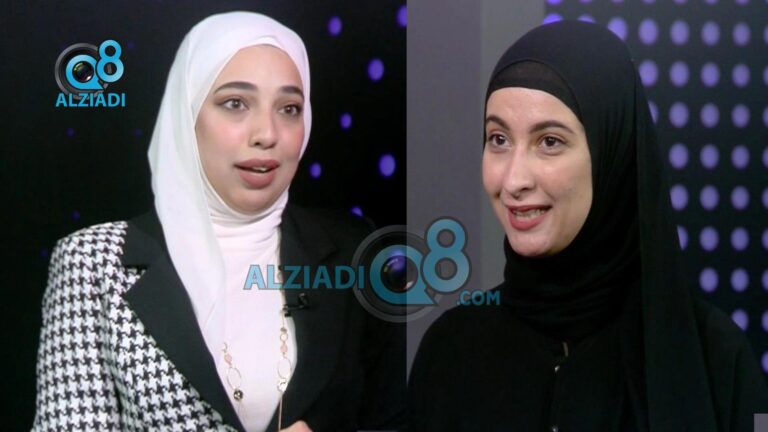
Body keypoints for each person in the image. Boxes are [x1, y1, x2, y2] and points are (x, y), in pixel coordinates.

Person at [32, 12, 405, 432]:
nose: (267, 133)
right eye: (235, 104)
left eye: (289, 108)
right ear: (187, 114)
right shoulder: (92, 262)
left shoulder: (354, 252)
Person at [409, 20, 768, 431]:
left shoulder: (714, 359)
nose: (513, 180)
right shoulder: (450, 352)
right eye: (498, 139)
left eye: (549, 141)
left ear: (611, 151)